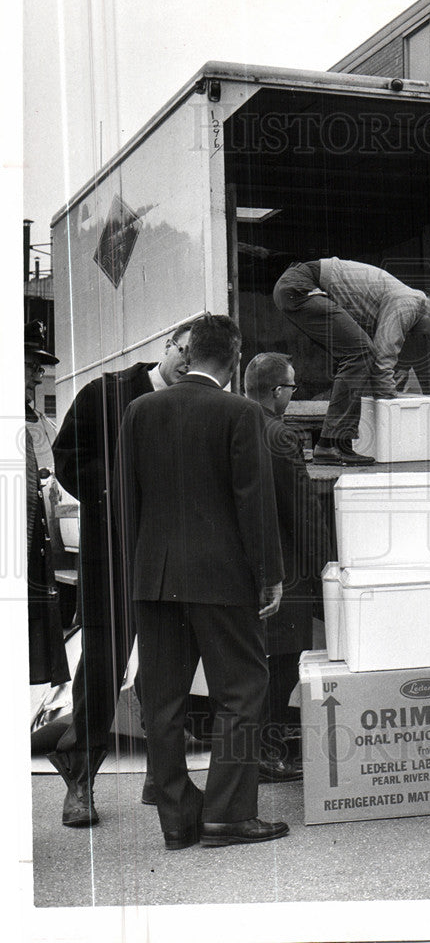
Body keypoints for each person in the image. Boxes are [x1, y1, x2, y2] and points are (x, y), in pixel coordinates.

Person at [115, 314, 288, 850]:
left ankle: (177, 817)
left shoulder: (140, 410)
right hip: (223, 579)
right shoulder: (239, 412)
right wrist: (271, 575)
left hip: (155, 578)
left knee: (163, 701)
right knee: (240, 691)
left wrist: (137, 574)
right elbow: (252, 501)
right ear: (234, 358)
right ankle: (229, 815)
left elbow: (125, 502)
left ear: (188, 355)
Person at [48, 321, 192, 828]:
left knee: (165, 666)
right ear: (167, 345)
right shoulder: (104, 393)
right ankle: (80, 777)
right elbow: (66, 457)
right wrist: (119, 488)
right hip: (112, 553)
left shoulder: (194, 403)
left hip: (170, 557)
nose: (188, 364)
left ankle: (163, 774)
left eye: (198, 359)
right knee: (104, 666)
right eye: (184, 351)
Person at [244, 352, 333, 782]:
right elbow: (303, 508)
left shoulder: (236, 423)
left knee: (259, 662)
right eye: (292, 387)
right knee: (281, 662)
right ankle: (265, 752)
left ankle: (265, 749)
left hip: (245, 564)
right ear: (278, 392)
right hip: (286, 567)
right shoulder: (280, 434)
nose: (293, 395)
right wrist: (324, 567)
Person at [272, 257, 430, 465]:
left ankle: (335, 444)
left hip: (295, 288)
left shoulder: (402, 301)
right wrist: (391, 404)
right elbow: (382, 356)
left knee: (356, 353)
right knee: (360, 352)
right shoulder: (410, 303)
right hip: (302, 287)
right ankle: (332, 444)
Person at [24, 321, 70, 688]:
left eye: (38, 369)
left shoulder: (46, 426)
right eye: (29, 367)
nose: (37, 379)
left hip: (34, 558)